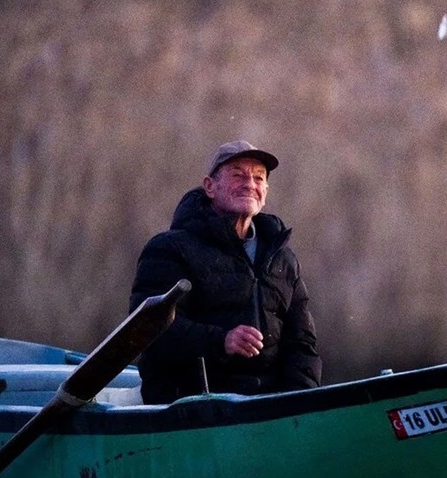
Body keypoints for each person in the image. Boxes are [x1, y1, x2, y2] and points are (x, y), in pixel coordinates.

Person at [130, 139, 322, 404]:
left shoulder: (284, 260)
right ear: (210, 186)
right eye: (237, 175)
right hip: (190, 410)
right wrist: (221, 341)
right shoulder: (169, 249)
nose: (249, 184)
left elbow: (302, 344)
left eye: (258, 178)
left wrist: (298, 405)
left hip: (268, 410)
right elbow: (148, 329)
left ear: (265, 192)